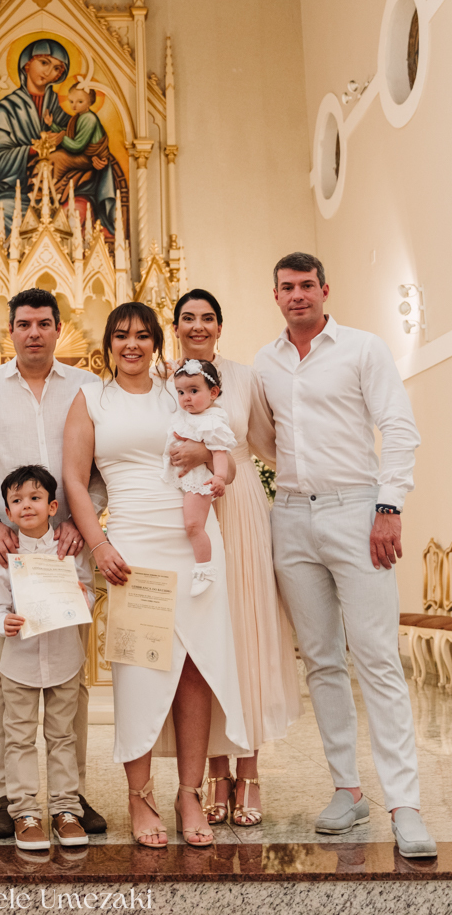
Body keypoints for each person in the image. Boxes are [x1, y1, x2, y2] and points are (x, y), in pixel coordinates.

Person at [254, 251, 436, 858]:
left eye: (308, 285)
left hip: (358, 512)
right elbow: (261, 437)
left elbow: (399, 428)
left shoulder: (363, 349)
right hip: (292, 515)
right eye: (288, 287)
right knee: (323, 662)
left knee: (378, 660)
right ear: (275, 295)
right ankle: (347, 790)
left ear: (325, 290)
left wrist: (387, 507)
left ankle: (405, 806)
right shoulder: (266, 362)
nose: (298, 295)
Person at [63, 302, 247, 850]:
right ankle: (138, 795)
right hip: (134, 544)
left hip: (192, 538)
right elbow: (74, 479)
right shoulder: (90, 398)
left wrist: (205, 454)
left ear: (156, 342)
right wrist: (98, 543)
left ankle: (189, 792)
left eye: (143, 335)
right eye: (121, 336)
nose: (133, 345)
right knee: (140, 670)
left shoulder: (181, 390)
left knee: (196, 669)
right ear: (108, 343)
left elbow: (226, 458)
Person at [0, 287, 108, 839]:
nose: (34, 332)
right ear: (9, 330)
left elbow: (100, 470)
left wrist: (82, 521)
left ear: (59, 329)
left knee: (72, 678)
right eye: (24, 323)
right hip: (5, 552)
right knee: (3, 675)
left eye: (44, 323)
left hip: (67, 549)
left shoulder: (88, 388)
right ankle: (7, 797)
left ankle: (70, 796)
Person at [171, 288, 302, 827]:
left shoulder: (247, 377)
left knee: (244, 633)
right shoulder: (163, 381)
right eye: (187, 318)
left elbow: (272, 442)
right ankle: (214, 769)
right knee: (205, 640)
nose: (198, 325)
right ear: (175, 325)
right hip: (187, 509)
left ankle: (247, 770)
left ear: (220, 326)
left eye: (207, 318)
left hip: (239, 503)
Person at [0, 464, 95, 851]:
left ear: (52, 507)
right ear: (8, 511)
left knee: (62, 736)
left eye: (34, 498)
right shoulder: (4, 556)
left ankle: (66, 810)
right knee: (18, 739)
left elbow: (90, 596)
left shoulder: (69, 550)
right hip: (19, 663)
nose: (26, 506)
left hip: (65, 658)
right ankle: (25, 812)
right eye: (16, 501)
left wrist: (82, 597)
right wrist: (6, 622)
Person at [0, 40, 115, 247]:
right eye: (44, 63)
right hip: (16, 192)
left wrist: (97, 161)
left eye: (57, 68)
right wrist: (32, 150)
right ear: (27, 65)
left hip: (62, 191)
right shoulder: (3, 112)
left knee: (76, 213)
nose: (49, 72)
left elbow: (85, 143)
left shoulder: (68, 107)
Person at [161, 359, 236, 596]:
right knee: (186, 526)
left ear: (213, 393)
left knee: (193, 525)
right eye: (181, 392)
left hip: (199, 480)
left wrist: (220, 477)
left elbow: (219, 452)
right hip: (183, 481)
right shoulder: (187, 416)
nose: (186, 398)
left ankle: (204, 569)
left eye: (194, 391)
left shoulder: (212, 421)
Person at [48, 79, 110, 205]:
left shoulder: (89, 119)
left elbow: (77, 146)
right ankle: (49, 191)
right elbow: (68, 133)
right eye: (71, 101)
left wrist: (61, 138)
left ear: (90, 102)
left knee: (55, 158)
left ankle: (51, 192)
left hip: (87, 157)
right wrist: (52, 125)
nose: (74, 105)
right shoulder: (80, 116)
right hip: (84, 155)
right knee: (50, 158)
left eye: (80, 101)